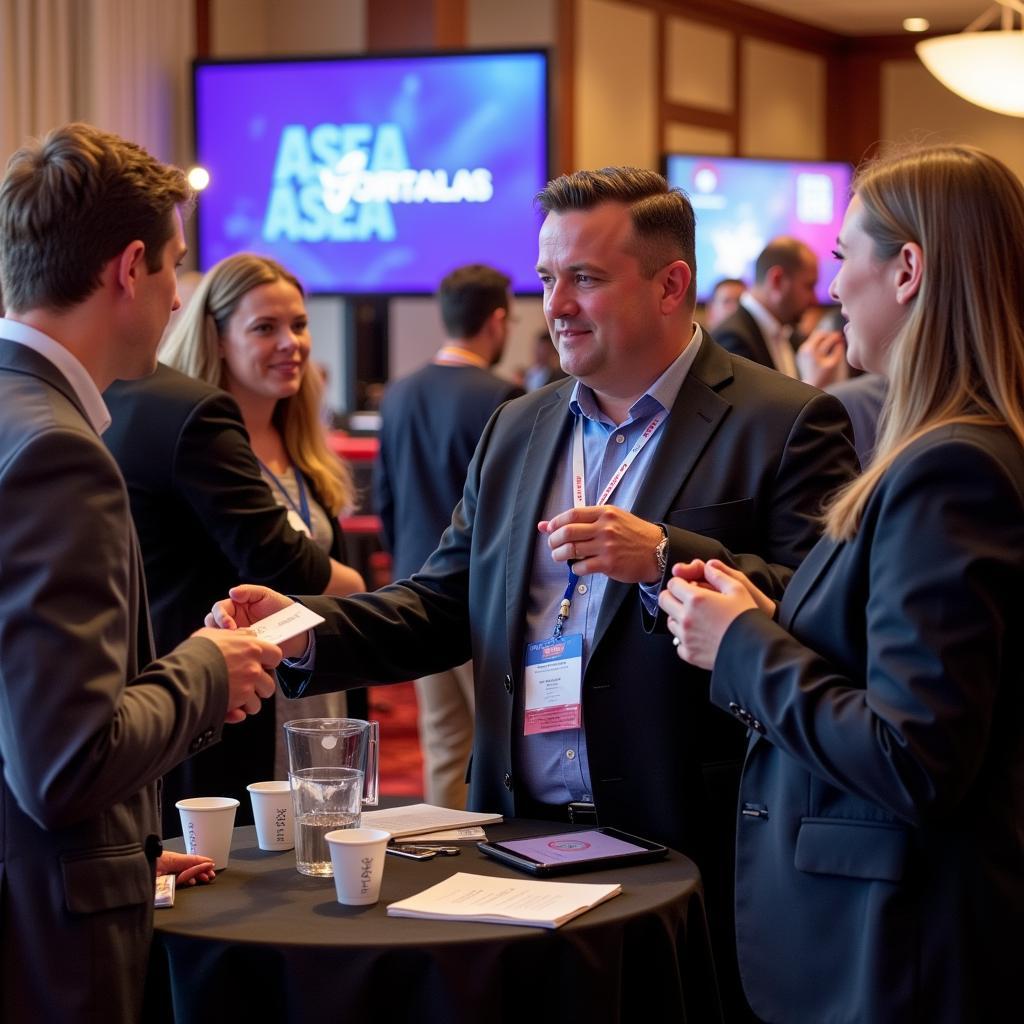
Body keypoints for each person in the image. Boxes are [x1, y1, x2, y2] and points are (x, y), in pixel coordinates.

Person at [208, 167, 858, 1022]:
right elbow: (441, 604)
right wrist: (299, 630)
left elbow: (819, 610)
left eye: (585, 278)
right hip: (515, 833)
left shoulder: (787, 421)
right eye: (548, 278)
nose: (555, 305)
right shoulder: (519, 426)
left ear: (672, 285)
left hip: (686, 840)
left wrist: (666, 554)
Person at [659, 144, 1024, 1024]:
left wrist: (740, 646)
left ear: (907, 270)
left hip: (898, 945)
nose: (831, 289)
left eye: (840, 259)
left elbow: (915, 756)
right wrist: (767, 611)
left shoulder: (950, 470)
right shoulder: (955, 451)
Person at [0, 122, 282, 1023]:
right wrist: (210, 669)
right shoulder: (58, 452)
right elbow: (66, 762)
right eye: (174, 269)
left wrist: (127, 845)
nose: (176, 300)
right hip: (47, 936)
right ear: (129, 269)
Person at [105, 253, 365, 833]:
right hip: (237, 706)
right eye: (264, 328)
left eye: (298, 325)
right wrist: (351, 588)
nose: (290, 343)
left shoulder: (300, 443)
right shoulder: (197, 432)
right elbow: (298, 569)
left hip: (313, 692)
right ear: (218, 339)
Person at [376, 263, 524, 808]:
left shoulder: (398, 393)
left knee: (441, 743)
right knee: (501, 741)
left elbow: (385, 498)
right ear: (498, 320)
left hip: (414, 585)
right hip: (483, 598)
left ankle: (443, 857)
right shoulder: (503, 396)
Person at [715, 236, 847, 387]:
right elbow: (749, 410)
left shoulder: (791, 335)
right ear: (777, 280)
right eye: (809, 286)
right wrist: (812, 385)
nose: (814, 300)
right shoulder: (731, 339)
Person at [523, 326, 568, 391]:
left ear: (552, 352)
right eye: (537, 348)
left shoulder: (560, 376)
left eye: (544, 350)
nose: (538, 353)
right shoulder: (527, 374)